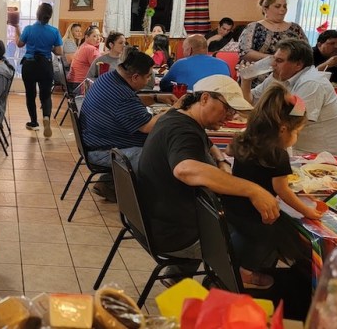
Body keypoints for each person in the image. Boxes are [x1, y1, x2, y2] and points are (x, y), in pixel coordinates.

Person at [137, 75, 280, 285]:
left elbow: (205, 141)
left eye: (233, 111)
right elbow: (185, 169)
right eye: (227, 108)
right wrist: (253, 190)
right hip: (175, 235)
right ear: (204, 98)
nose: (230, 116)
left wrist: (221, 160)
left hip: (156, 221)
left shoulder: (178, 117)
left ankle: (180, 274)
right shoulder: (183, 131)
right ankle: (225, 281)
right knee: (264, 224)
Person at [223, 84, 320, 289]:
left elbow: (230, 152)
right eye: (297, 132)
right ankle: (246, 273)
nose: (296, 138)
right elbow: (282, 190)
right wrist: (307, 211)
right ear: (283, 129)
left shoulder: (244, 139)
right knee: (278, 233)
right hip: (256, 215)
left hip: (234, 206)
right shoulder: (277, 154)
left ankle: (245, 266)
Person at [241, 39, 337, 156]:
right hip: (293, 149)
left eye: (279, 61)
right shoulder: (279, 76)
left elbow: (293, 122)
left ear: (298, 65)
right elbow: (249, 103)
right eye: (274, 59)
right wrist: (246, 80)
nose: (272, 64)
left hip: (319, 155)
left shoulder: (312, 83)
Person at [81, 49, 176, 171]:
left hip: (96, 141)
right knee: (164, 157)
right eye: (147, 77)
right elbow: (148, 126)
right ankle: (132, 187)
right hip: (104, 152)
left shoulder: (108, 78)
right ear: (135, 77)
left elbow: (131, 101)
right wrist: (176, 109)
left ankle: (112, 185)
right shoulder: (122, 94)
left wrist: (156, 97)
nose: (148, 81)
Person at [238, 0, 307, 87]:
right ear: (265, 9)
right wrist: (273, 59)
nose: (282, 9)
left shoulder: (295, 28)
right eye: (277, 6)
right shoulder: (253, 27)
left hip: (288, 78)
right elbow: (244, 52)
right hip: (257, 79)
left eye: (285, 6)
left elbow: (305, 51)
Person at [17, 3, 63, 136]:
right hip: (45, 65)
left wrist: (17, 29)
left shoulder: (29, 29)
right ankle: (46, 117)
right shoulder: (54, 31)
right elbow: (59, 51)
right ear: (50, 16)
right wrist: (49, 48)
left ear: (37, 14)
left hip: (29, 65)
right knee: (46, 94)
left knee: (30, 94)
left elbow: (20, 44)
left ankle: (34, 123)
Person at [160, 34, 231, 92]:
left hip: (192, 105)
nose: (183, 52)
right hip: (220, 105)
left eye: (184, 49)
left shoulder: (180, 64)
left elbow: (163, 85)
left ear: (189, 50)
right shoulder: (224, 64)